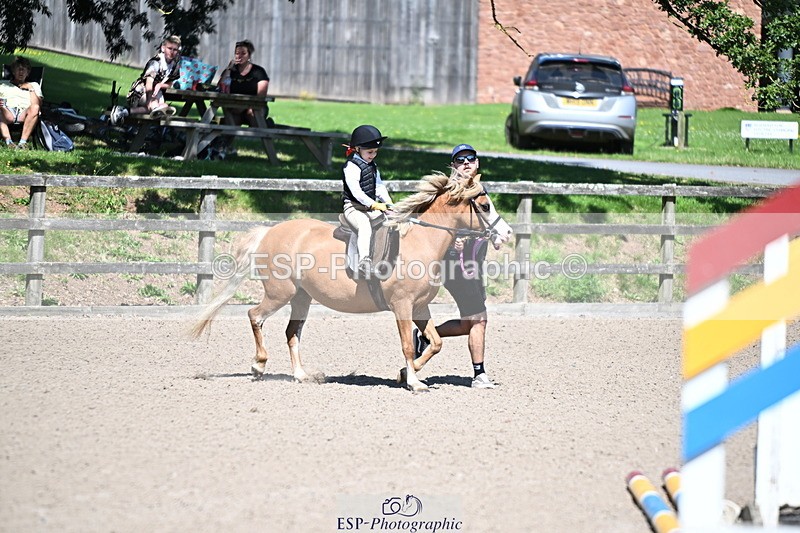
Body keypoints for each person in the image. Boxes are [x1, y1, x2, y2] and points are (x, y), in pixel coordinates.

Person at [413, 144, 496, 389]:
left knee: (467, 323)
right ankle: (479, 375)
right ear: (453, 166)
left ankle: (426, 335)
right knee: (479, 319)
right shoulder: (448, 195)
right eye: (460, 160)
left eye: (471, 158)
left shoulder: (480, 191)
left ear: (478, 163)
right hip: (453, 265)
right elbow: (432, 230)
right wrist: (454, 243)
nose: (467, 162)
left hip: (474, 263)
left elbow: (488, 223)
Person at [342, 124, 393, 277]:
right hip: (353, 208)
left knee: (388, 222)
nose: (373, 155)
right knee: (364, 226)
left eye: (375, 152)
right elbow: (357, 193)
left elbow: (379, 187)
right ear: (357, 149)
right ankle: (364, 261)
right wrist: (375, 204)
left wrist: (389, 204)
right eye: (370, 152)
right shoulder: (351, 167)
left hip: (369, 208)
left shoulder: (372, 166)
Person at [109, 35, 182, 124]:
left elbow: (170, 83)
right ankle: (126, 112)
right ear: (163, 48)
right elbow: (149, 83)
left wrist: (160, 85)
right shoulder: (156, 62)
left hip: (157, 93)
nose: (172, 52)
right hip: (140, 91)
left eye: (175, 50)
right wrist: (149, 100)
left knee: (164, 107)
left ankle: (124, 111)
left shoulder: (174, 64)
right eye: (169, 48)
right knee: (154, 106)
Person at [217, 39, 269, 127]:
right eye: (237, 53)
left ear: (249, 55)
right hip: (234, 107)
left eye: (243, 53)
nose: (239, 56)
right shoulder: (230, 71)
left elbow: (261, 96)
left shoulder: (259, 71)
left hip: (255, 106)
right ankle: (223, 140)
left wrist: (243, 107)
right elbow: (220, 88)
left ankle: (264, 129)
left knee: (252, 114)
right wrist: (229, 69)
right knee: (231, 119)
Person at [0, 56, 43, 149]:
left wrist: (30, 89)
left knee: (35, 107)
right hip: (6, 111)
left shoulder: (34, 85)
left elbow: (38, 104)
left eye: (24, 70)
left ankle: (22, 143)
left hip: (24, 112)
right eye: (18, 69)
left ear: (28, 73)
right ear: (13, 71)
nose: (21, 72)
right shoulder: (3, 84)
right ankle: (9, 142)